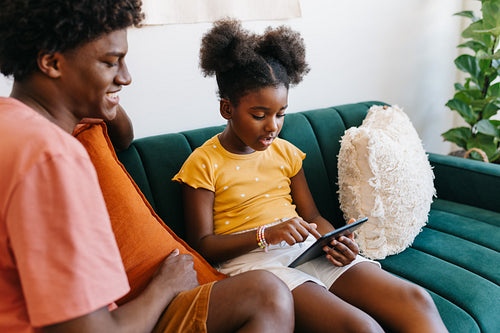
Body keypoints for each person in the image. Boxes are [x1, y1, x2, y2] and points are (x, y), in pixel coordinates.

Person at [0, 2, 295, 332]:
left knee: (265, 293)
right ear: (51, 62)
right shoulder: (52, 158)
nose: (126, 77)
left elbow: (123, 133)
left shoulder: (11, 125)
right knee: (270, 297)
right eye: (111, 62)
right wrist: (165, 285)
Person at [173, 18, 448, 333]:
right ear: (227, 109)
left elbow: (313, 216)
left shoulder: (286, 152)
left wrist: (335, 241)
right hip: (255, 266)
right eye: (259, 115)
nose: (272, 126)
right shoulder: (203, 163)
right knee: (362, 328)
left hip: (305, 249)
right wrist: (267, 235)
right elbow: (202, 245)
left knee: (417, 299)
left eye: (281, 114)